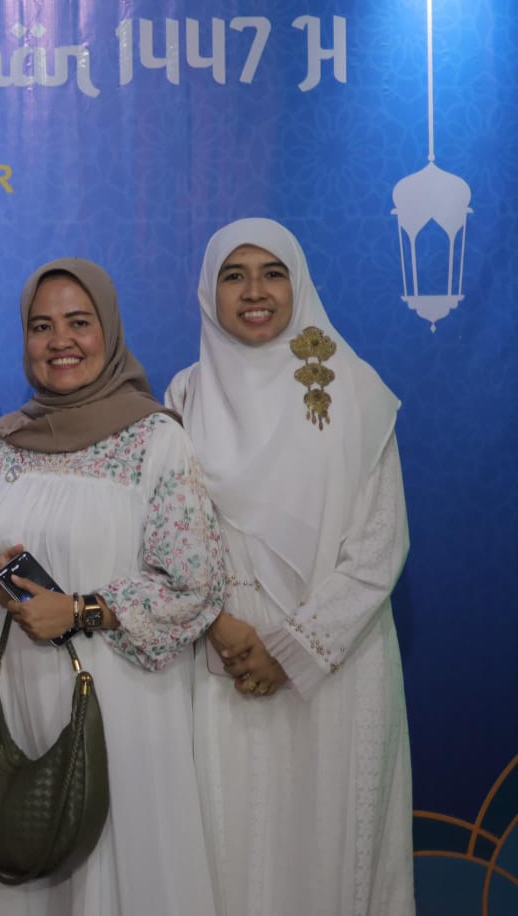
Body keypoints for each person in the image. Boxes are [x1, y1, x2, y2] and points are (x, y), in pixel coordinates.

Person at [0, 258, 224, 916]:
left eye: (79, 323)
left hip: (124, 705)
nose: (61, 341)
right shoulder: (0, 446)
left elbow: (195, 584)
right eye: (41, 326)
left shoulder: (157, 440)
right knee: (32, 851)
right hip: (23, 698)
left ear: (108, 328)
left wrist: (79, 610)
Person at [166, 218, 414, 915]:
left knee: (329, 846)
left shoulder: (355, 391)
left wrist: (293, 651)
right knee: (229, 846)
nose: (255, 291)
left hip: (335, 665)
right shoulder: (184, 397)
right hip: (223, 659)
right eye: (234, 275)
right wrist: (221, 626)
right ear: (208, 291)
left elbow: (379, 546)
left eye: (272, 273)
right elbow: (171, 536)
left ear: (299, 284)